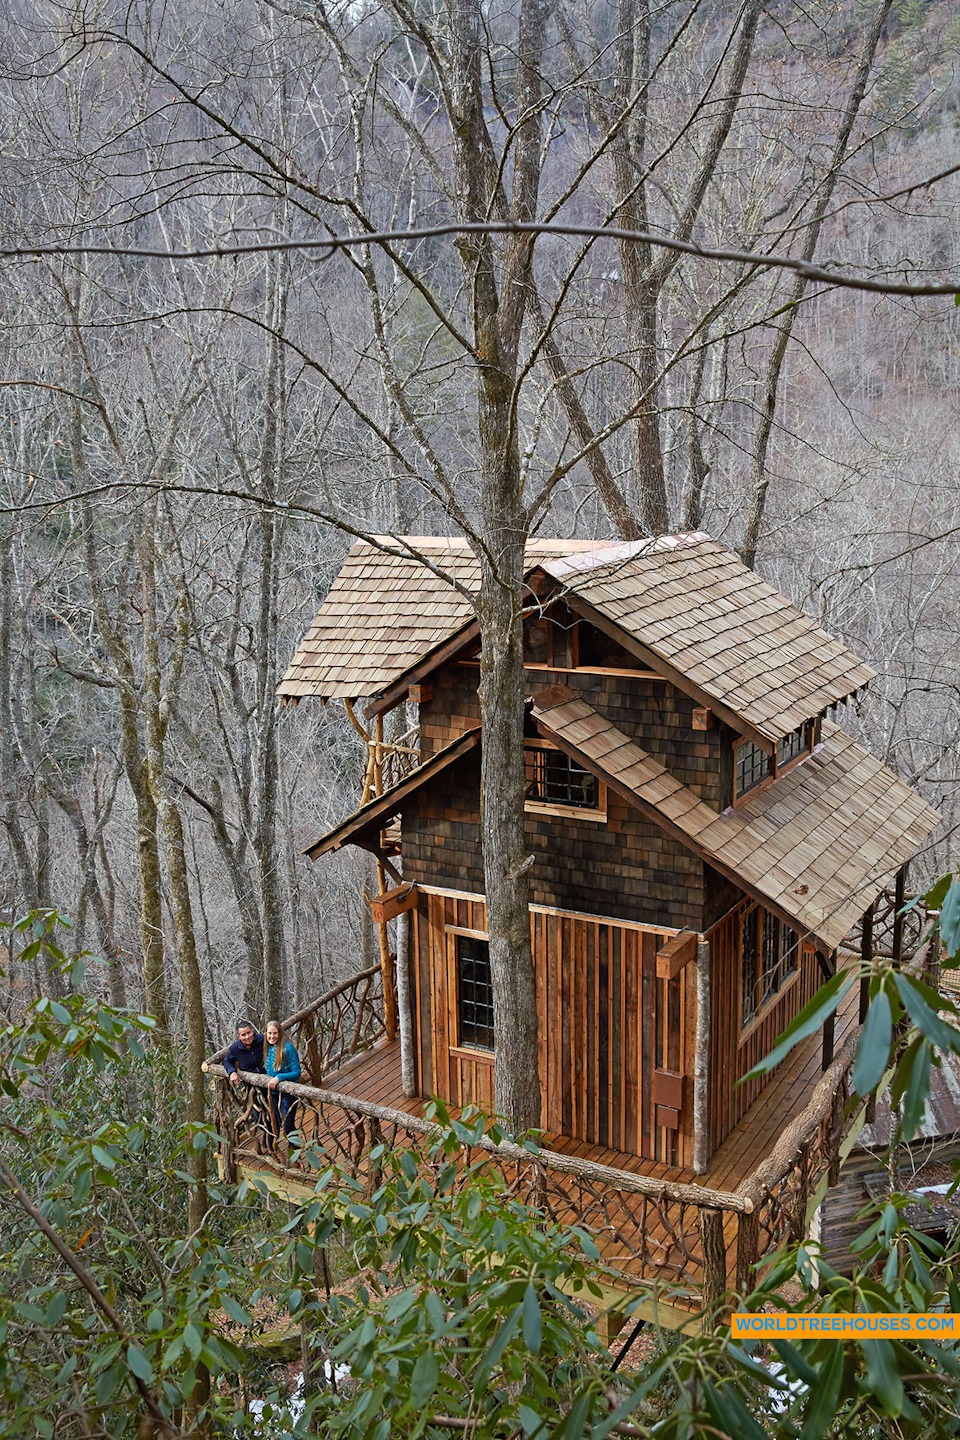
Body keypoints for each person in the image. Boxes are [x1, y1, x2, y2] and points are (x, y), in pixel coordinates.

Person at [264, 1019, 301, 1140]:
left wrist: (279, 1077)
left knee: (288, 1124)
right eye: (269, 1033)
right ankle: (270, 1146)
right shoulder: (268, 1047)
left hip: (288, 1093)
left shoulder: (288, 1048)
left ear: (280, 1033)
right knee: (274, 1121)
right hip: (273, 1093)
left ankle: (295, 1147)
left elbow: (296, 1072)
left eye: (275, 1033)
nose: (272, 1036)